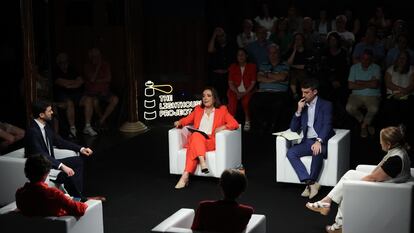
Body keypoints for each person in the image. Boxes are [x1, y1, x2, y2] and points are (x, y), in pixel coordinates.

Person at [305, 126, 412, 233]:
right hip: (388, 184)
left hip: (387, 191)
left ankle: (337, 221)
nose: (380, 143)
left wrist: (354, 184)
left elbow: (373, 178)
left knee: (347, 187)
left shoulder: (395, 160)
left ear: (388, 144)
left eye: (381, 141)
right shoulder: (399, 151)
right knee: (349, 175)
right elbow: (377, 175)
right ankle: (327, 204)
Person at [24, 100, 105, 202]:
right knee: (67, 172)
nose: (52, 113)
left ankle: (78, 198)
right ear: (41, 114)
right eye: (49, 111)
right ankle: (78, 199)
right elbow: (41, 154)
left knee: (78, 161)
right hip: (40, 166)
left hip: (49, 162)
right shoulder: (32, 131)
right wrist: (61, 166)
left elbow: (60, 141)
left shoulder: (46, 126)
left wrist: (81, 149)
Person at [173, 87, 239, 189]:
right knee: (196, 136)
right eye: (203, 96)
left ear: (214, 98)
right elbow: (186, 119)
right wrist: (179, 122)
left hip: (210, 141)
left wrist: (223, 127)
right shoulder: (198, 110)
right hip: (198, 139)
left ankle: (186, 176)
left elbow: (234, 124)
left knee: (193, 144)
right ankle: (188, 173)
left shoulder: (222, 110)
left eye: (208, 96)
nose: (205, 98)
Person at [287, 78, 335, 199]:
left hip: (321, 140)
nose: (303, 95)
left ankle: (311, 182)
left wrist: (319, 141)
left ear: (315, 92)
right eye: (302, 92)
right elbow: (293, 128)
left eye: (306, 92)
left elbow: (327, 125)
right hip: (307, 141)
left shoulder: (326, 105)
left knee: (316, 150)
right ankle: (311, 183)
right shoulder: (303, 106)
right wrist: (298, 111)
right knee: (291, 152)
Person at [15, 154, 88, 217]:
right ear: (46, 174)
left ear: (26, 172)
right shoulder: (54, 194)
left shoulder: (19, 193)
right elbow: (79, 209)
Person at [82, 48, 119, 136]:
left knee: (115, 99)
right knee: (95, 102)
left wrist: (97, 81)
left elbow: (108, 79)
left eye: (98, 56)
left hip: (104, 92)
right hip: (92, 92)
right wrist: (98, 68)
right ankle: (101, 122)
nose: (96, 58)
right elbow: (92, 79)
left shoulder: (105, 64)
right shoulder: (87, 66)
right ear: (90, 57)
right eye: (94, 57)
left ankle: (101, 120)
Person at [53, 52, 84, 138]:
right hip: (62, 96)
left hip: (76, 94)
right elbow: (61, 83)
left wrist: (69, 84)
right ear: (59, 63)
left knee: (89, 99)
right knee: (69, 103)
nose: (64, 64)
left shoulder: (72, 69)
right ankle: (72, 129)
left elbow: (81, 81)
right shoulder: (56, 71)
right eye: (62, 62)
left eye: (66, 61)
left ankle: (88, 126)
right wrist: (74, 82)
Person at [227, 48, 257, 131]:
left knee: (246, 102)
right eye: (238, 55)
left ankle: (247, 120)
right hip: (235, 91)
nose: (240, 57)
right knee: (232, 102)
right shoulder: (233, 67)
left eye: (242, 55)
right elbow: (230, 82)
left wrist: (244, 93)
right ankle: (231, 121)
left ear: (246, 56)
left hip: (248, 90)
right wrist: (237, 93)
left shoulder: (252, 66)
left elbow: (253, 82)